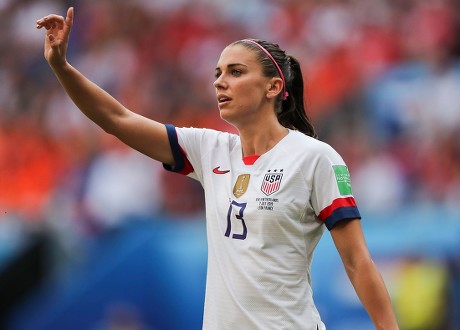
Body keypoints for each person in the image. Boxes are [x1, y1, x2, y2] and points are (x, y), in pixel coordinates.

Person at [36, 7, 399, 330]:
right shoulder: (210, 149)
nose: (219, 81)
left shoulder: (315, 158)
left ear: (274, 86)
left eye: (236, 72)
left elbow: (357, 262)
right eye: (217, 72)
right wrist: (62, 68)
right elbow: (117, 119)